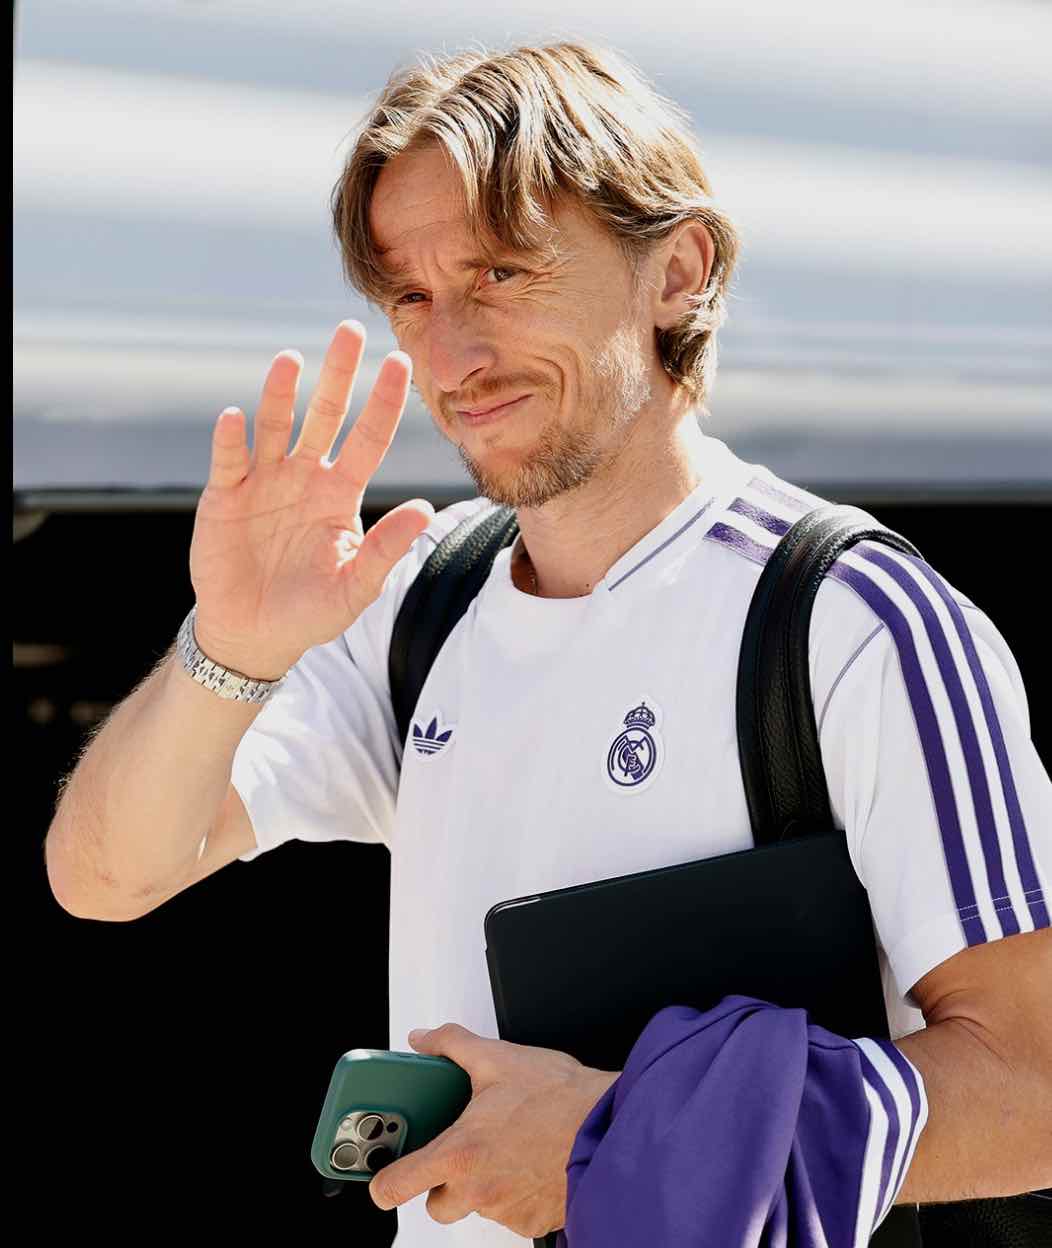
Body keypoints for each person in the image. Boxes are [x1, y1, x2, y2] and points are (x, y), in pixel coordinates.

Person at [45, 41, 1050, 1247]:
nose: (449, 358)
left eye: (501, 273)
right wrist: (230, 646)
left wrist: (616, 1148)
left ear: (676, 270)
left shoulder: (848, 618)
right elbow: (105, 877)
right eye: (410, 297)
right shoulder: (419, 598)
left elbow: (1033, 1087)